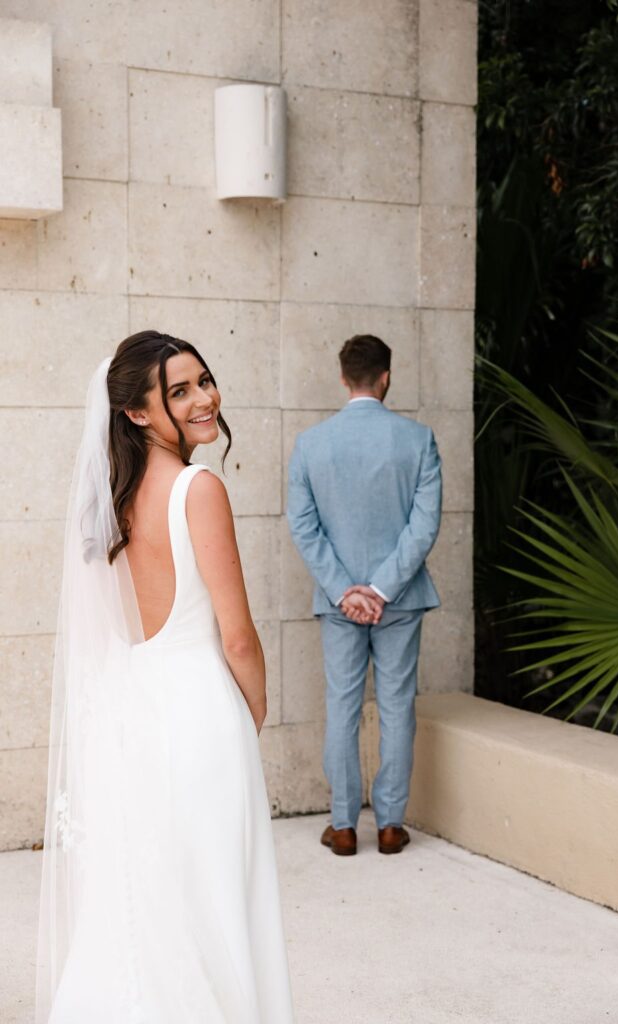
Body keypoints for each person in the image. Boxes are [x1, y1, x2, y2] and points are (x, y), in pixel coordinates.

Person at [35, 331, 295, 1023]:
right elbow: (236, 636)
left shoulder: (112, 498)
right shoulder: (197, 488)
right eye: (178, 391)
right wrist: (254, 711)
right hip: (202, 713)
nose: (205, 397)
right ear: (138, 413)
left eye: (203, 380)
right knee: (213, 902)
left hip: (135, 711)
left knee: (148, 900)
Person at [286, 334, 442, 857]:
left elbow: (304, 528)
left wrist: (345, 591)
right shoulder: (418, 440)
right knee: (397, 707)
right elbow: (423, 528)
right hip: (400, 599)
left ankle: (344, 825)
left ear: (343, 378)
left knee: (342, 708)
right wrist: (380, 589)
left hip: (339, 601)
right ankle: (392, 825)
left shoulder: (311, 444)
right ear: (386, 377)